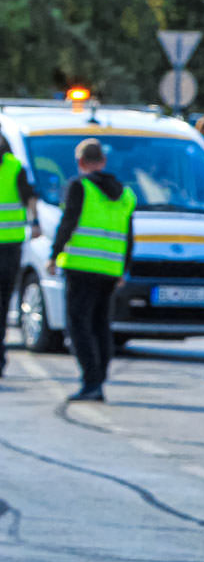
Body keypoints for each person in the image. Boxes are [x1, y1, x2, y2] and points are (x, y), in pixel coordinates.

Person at [47, 138, 133, 401]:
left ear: (80, 161)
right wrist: (124, 269)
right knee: (100, 325)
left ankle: (91, 380)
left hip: (81, 266)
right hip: (110, 268)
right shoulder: (125, 194)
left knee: (78, 326)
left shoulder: (80, 186)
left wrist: (54, 255)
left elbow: (68, 222)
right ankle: (99, 378)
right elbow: (130, 236)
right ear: (103, 161)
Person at [0, 134, 42, 378]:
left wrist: (34, 222)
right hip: (10, 246)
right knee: (3, 303)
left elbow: (30, 198)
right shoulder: (15, 167)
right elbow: (30, 198)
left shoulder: (16, 167)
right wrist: (34, 222)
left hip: (9, 246)